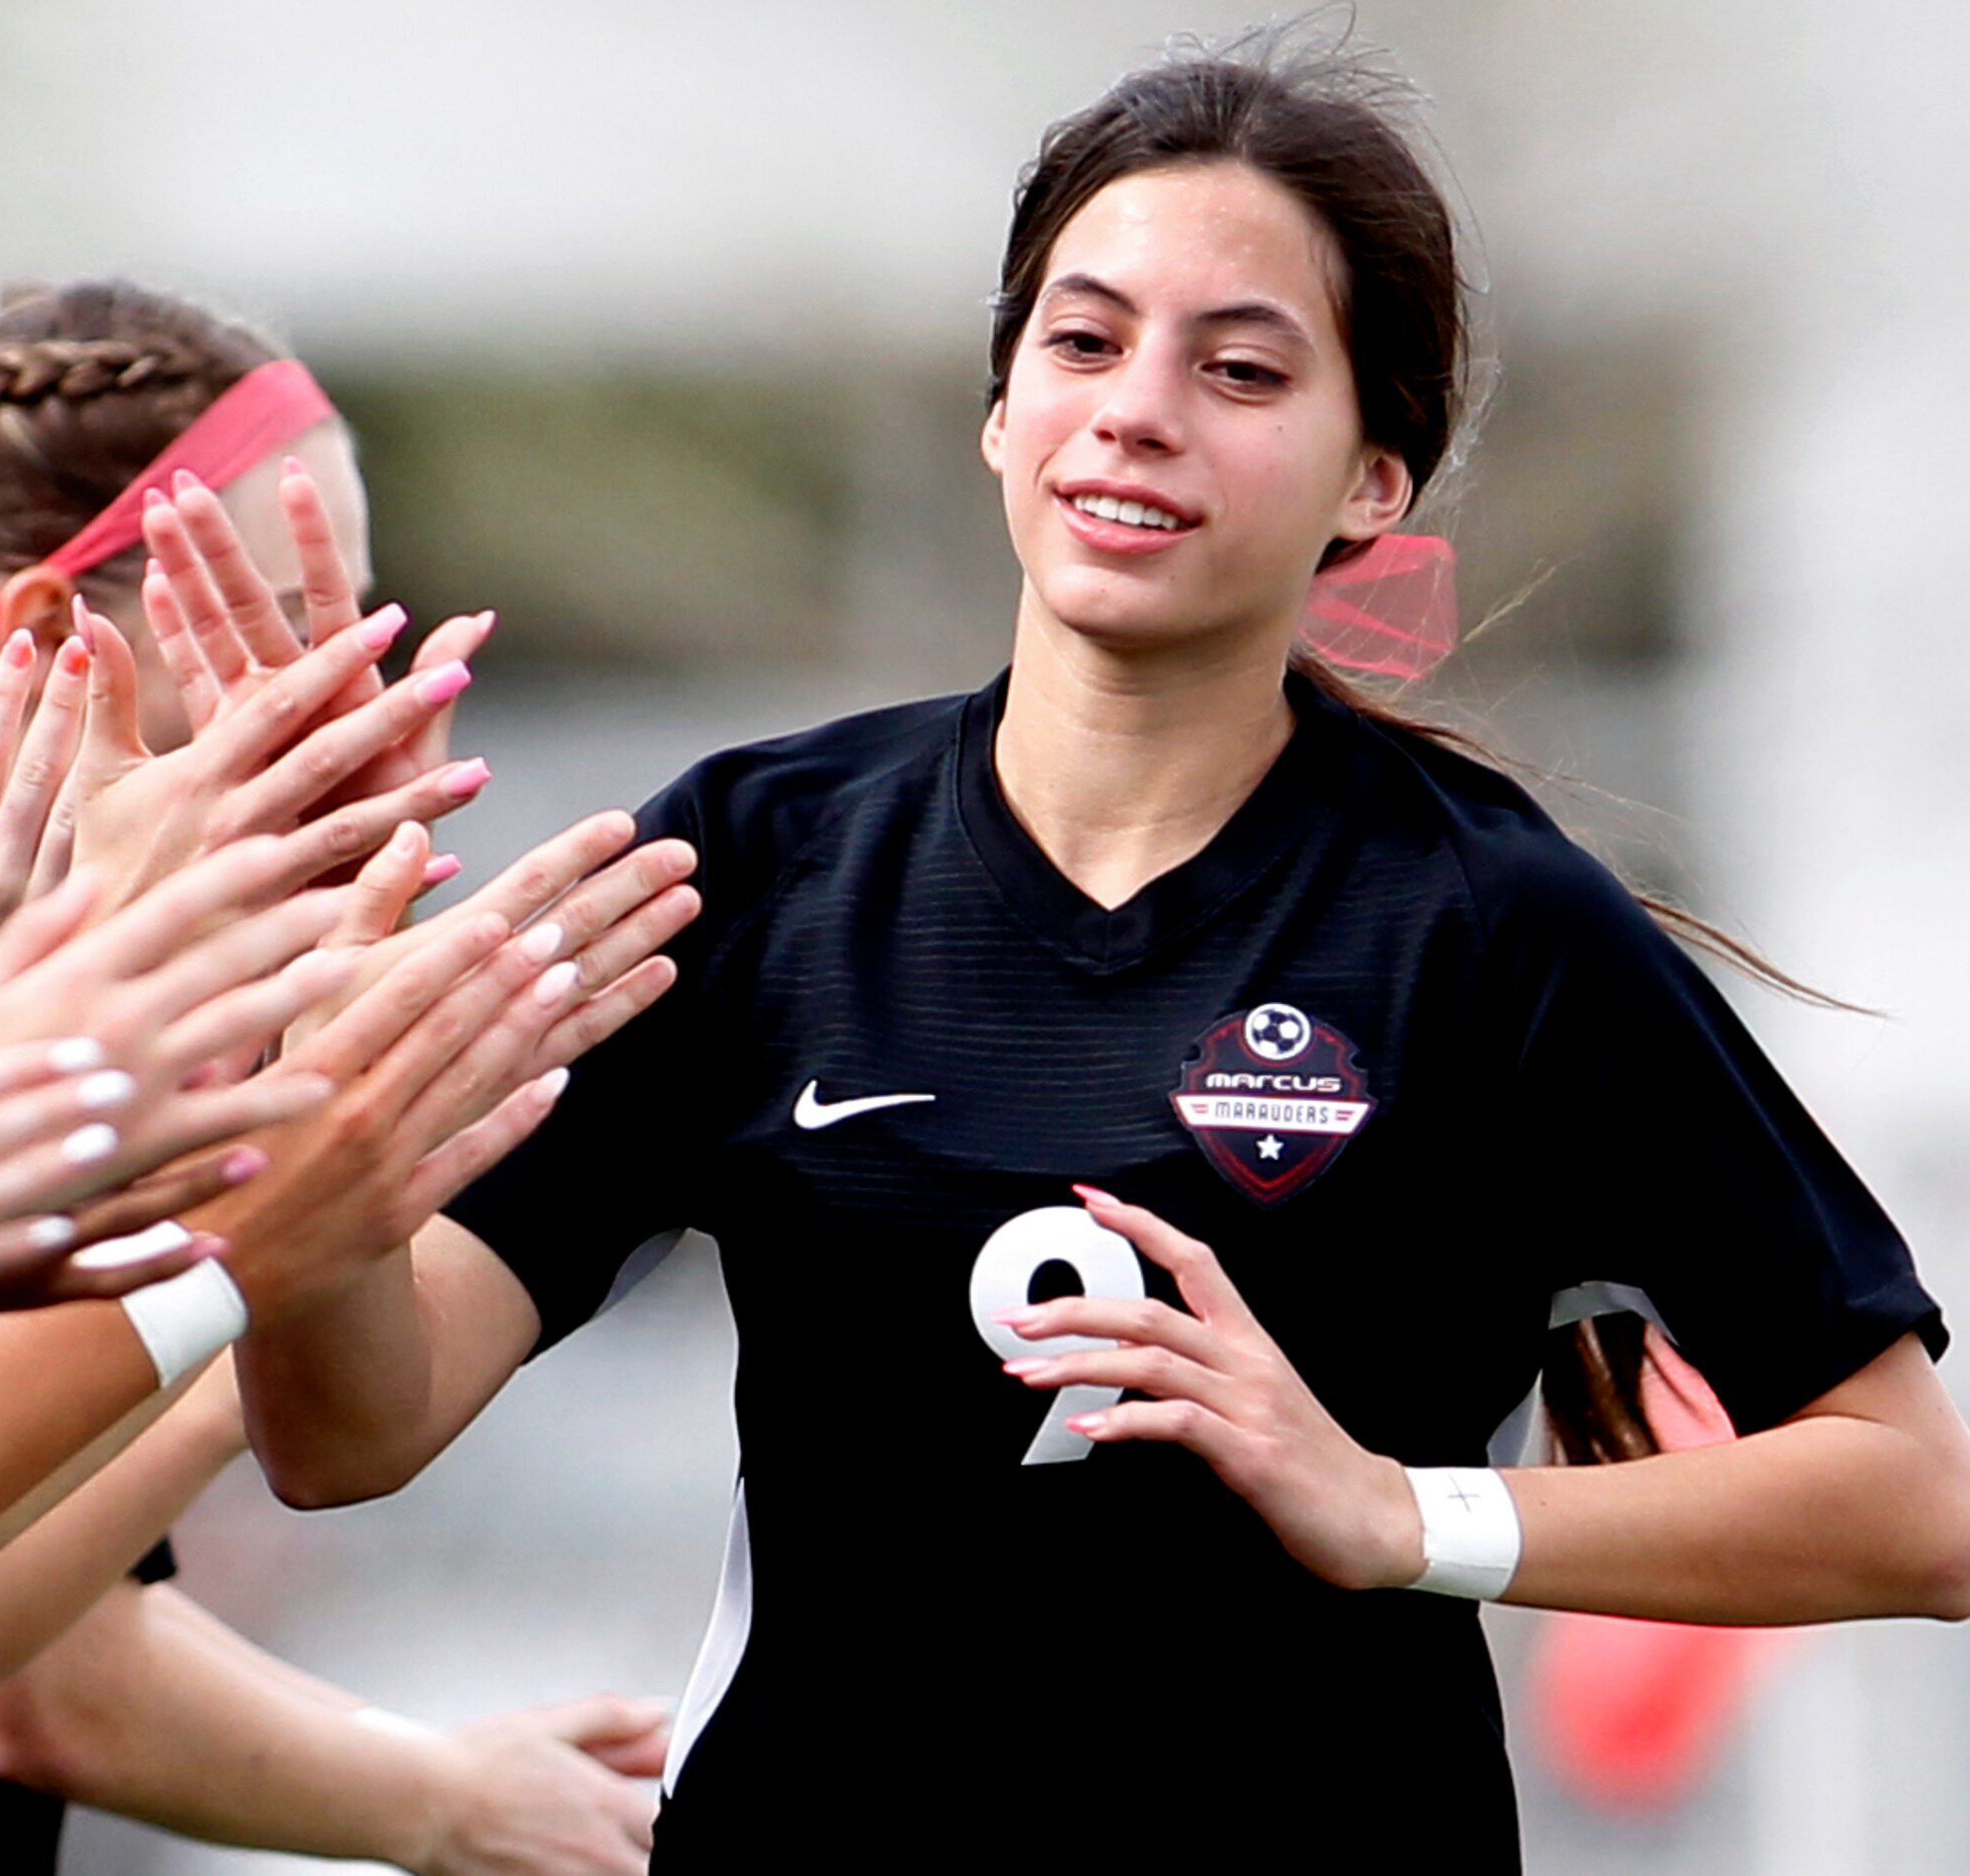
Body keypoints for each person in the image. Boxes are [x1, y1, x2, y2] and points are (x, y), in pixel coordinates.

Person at [219, 27, 1970, 1870]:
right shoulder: (750, 863)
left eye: (1238, 367)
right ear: (999, 411)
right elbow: (352, 1435)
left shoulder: (1488, 922)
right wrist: (317, 1151)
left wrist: (1401, 1510)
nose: (1137, 408)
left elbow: (1913, 1505)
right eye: (1081, 339)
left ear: (1373, 478)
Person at [0, 280, 675, 1876]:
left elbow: (56, 1649)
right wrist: (271, 1256)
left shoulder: (136, 965)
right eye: (294, 625)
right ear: (45, 632)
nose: (360, 699)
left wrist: (435, 1784)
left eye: (360, 625)